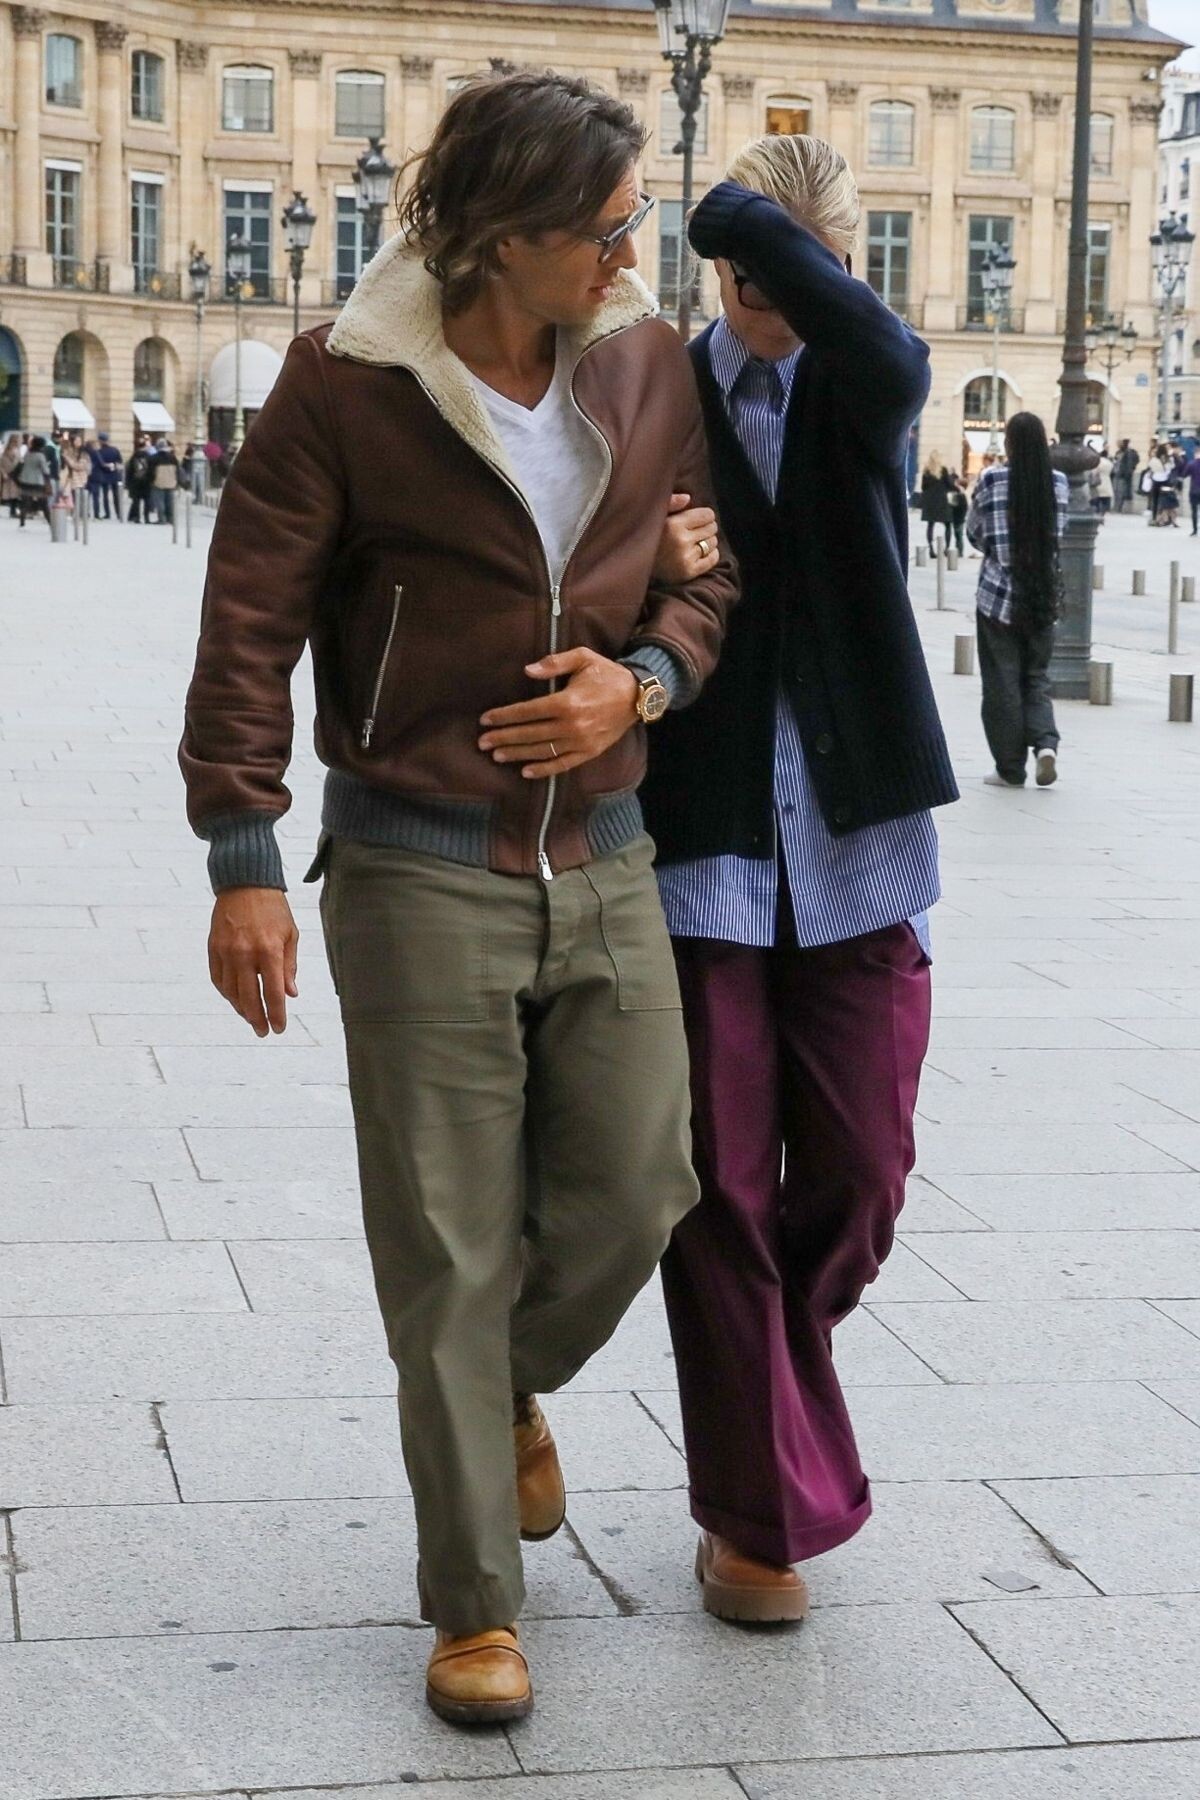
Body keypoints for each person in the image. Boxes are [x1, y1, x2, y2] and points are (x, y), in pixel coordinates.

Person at [178, 69, 736, 1726]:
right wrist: (242, 857)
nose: (633, 257)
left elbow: (706, 584)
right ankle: (475, 1607)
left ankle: (498, 1391)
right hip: (417, 862)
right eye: (605, 229)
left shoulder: (643, 362)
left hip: (607, 851)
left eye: (638, 221)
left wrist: (641, 681)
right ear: (503, 236)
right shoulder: (346, 383)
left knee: (642, 1186)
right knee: (446, 1246)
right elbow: (247, 623)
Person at [641, 136, 957, 1625]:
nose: (764, 290)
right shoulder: (659, 389)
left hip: (856, 844)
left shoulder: (866, 379)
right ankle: (754, 1516)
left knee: (862, 1172)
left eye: (797, 264)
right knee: (717, 1185)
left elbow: (888, 345)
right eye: (744, 266)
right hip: (700, 841)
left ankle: (775, 1366)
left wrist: (757, 226)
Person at [967, 411, 1068, 789]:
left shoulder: (990, 479)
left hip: (998, 597)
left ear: (1009, 443)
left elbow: (975, 532)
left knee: (1002, 683)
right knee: (1036, 678)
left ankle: (1010, 768)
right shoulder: (1058, 483)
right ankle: (1045, 745)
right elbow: (1059, 534)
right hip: (1042, 595)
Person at [14, 434, 52, 529]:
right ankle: (51, 522)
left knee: (25, 503)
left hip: (25, 481)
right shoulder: (40, 456)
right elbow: (45, 471)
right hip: (37, 482)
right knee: (44, 503)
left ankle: (22, 523)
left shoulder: (28, 454)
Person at [919, 449, 953, 553]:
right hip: (942, 501)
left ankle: (931, 549)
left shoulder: (926, 471)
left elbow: (923, 487)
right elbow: (949, 485)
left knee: (930, 525)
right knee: (948, 525)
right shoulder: (943, 470)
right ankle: (947, 548)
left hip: (930, 502)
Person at [125, 436, 154, 523]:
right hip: (146, 481)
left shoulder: (134, 456)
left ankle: (136, 517)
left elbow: (129, 470)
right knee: (147, 500)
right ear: (145, 446)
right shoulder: (149, 457)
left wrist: (128, 483)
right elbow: (152, 469)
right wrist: (151, 479)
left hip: (135, 481)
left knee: (136, 501)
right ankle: (146, 518)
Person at [151, 437, 179, 523]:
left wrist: (151, 481)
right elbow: (177, 470)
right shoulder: (173, 458)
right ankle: (171, 519)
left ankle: (162, 519)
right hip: (171, 482)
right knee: (170, 502)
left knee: (160, 502)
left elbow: (150, 472)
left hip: (158, 482)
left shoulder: (154, 458)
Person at [1114, 439, 1139, 513]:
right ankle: (1118, 507)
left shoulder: (1129, 453)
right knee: (1119, 491)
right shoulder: (1119, 452)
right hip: (1120, 474)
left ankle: (1119, 507)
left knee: (1121, 491)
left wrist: (1130, 470)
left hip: (1123, 475)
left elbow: (1130, 463)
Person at [0, 431, 22, 518]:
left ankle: (13, 511)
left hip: (15, 475)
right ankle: (12, 511)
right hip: (10, 475)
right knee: (12, 493)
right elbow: (1, 464)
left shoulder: (16, 451)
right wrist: (4, 473)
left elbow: (19, 461)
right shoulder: (7, 451)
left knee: (15, 494)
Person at [947, 468, 968, 554]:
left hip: (959, 518)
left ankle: (960, 550)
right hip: (958, 517)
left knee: (958, 534)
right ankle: (959, 549)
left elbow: (961, 506)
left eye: (956, 483)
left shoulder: (961, 495)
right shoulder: (960, 494)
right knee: (957, 534)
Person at [1089, 445, 1114, 516]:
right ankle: (1103, 512)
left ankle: (1097, 512)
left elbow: (1094, 471)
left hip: (1098, 481)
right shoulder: (1109, 463)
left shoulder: (1098, 462)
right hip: (1107, 480)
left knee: (1097, 498)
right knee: (1105, 499)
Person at [1184, 448, 1200, 536]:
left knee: (1194, 511)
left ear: (1195, 454)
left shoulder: (1191, 464)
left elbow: (1184, 474)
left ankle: (1195, 530)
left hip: (1194, 490)